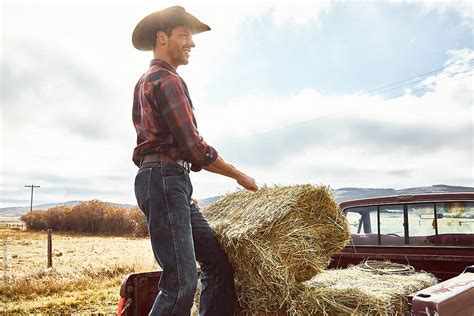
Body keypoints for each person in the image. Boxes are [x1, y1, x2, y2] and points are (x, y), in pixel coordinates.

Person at [131, 6, 259, 316]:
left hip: (169, 181)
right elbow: (193, 147)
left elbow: (175, 148)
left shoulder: (146, 80)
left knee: (216, 262)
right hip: (165, 179)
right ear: (162, 38)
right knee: (181, 282)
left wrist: (179, 186)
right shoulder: (168, 81)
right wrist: (238, 175)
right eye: (185, 34)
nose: (192, 42)